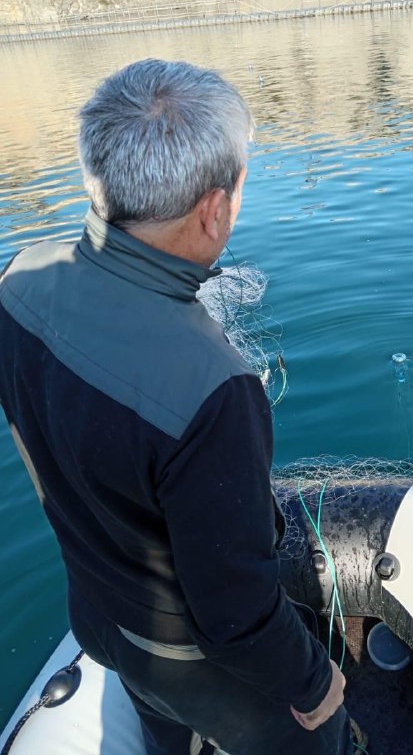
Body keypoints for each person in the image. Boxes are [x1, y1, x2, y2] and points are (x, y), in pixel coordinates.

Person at [0, 59, 358, 755]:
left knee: (167, 736)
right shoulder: (215, 388)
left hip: (100, 617)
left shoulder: (16, 281)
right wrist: (317, 686)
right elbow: (236, 617)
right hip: (189, 659)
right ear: (215, 209)